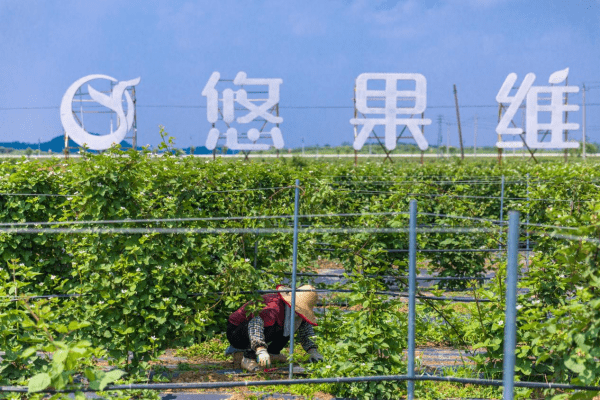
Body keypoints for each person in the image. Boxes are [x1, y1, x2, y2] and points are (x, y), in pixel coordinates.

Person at [226, 284, 324, 371]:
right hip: (236, 331)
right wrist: (260, 349)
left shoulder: (296, 315)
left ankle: (273, 353)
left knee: (289, 326)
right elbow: (254, 324)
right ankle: (248, 358)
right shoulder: (273, 308)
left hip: (252, 329)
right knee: (271, 326)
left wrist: (312, 350)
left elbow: (305, 329)